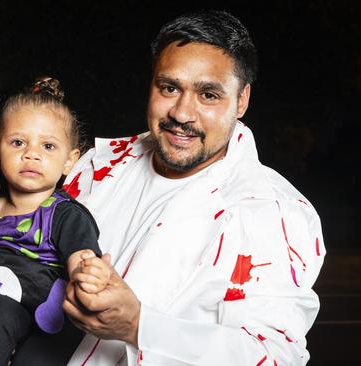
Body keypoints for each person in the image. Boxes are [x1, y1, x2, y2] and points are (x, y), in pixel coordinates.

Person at [61, 10, 325, 366]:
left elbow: (273, 357)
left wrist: (140, 326)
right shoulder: (96, 166)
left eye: (209, 95)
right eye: (169, 88)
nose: (183, 113)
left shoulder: (271, 212)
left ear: (242, 100)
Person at [0, 77, 108, 366]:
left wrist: (88, 274)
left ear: (69, 161)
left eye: (49, 146)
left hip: (52, 327)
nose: (32, 153)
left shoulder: (65, 214)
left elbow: (83, 260)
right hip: (2, 311)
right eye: (18, 142)